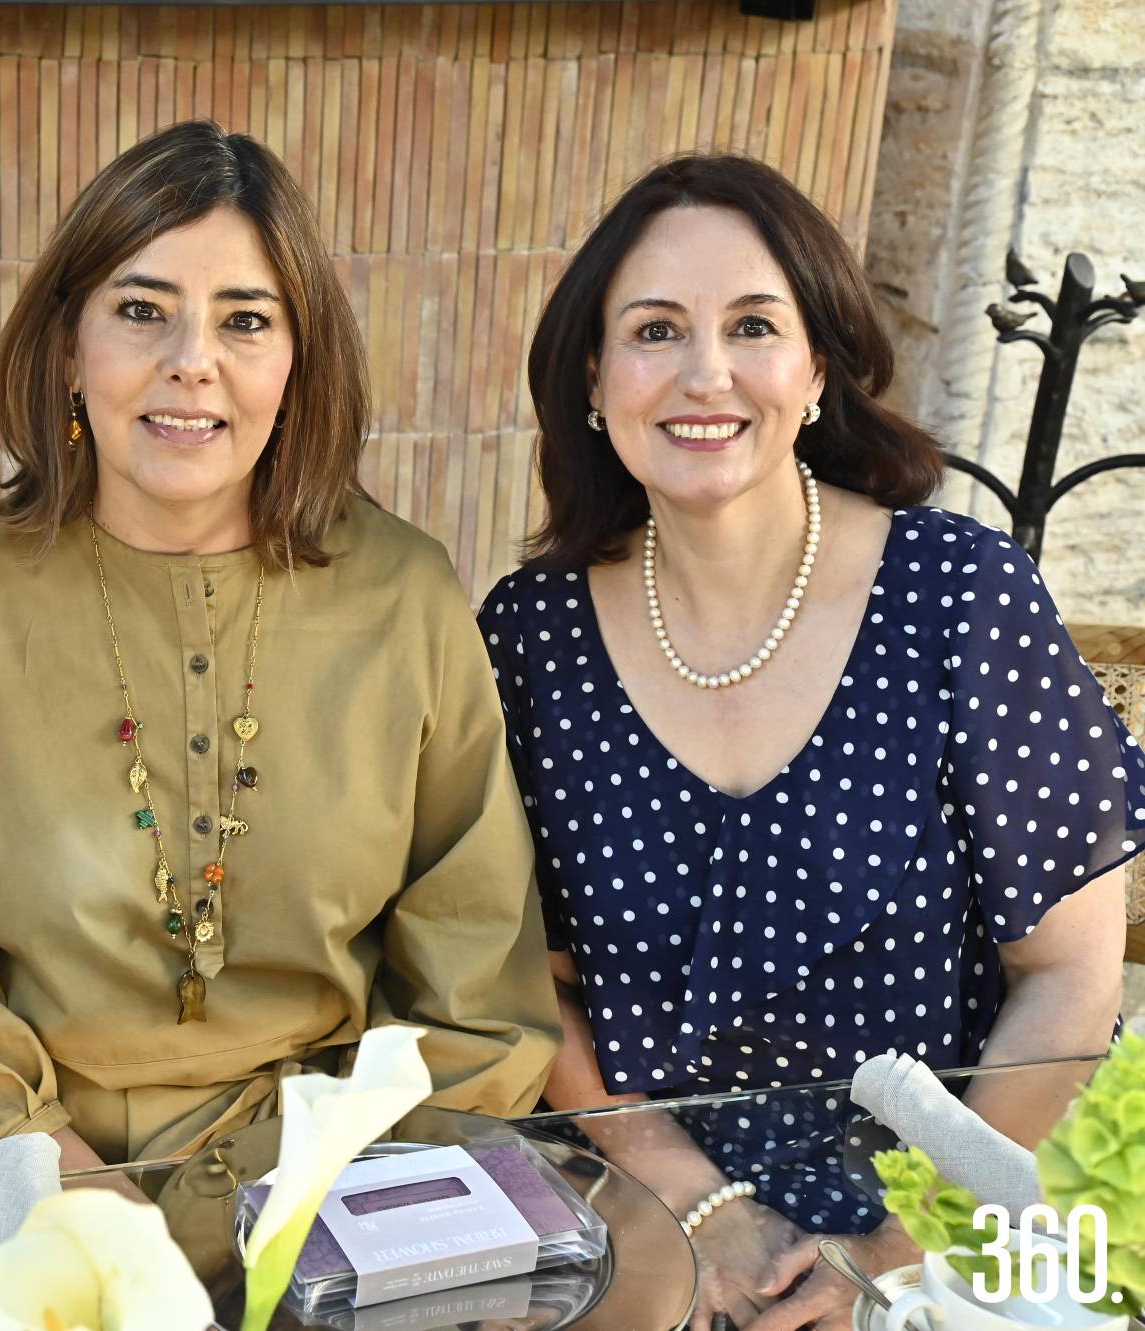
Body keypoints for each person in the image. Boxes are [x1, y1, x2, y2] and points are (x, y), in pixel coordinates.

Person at [0, 118, 558, 1209]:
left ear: (296, 361)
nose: (189, 362)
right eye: (140, 311)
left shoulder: (404, 594)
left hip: (327, 1173)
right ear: (69, 343)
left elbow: (472, 976)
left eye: (244, 319)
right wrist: (77, 1206)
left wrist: (351, 1213)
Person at [479, 152, 1145, 1331]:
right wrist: (702, 1209)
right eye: (652, 330)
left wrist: (905, 1237)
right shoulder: (529, 636)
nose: (704, 373)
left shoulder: (956, 596)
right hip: (640, 1177)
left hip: (946, 1187)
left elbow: (1068, 972)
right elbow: (516, 975)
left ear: (816, 368)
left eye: (751, 325)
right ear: (592, 374)